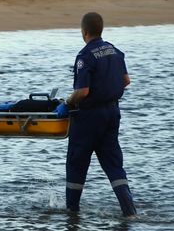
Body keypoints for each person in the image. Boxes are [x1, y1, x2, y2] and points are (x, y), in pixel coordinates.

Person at [55, 12, 137, 217]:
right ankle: (130, 211)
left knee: (77, 163)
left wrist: (67, 102)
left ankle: (72, 212)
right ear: (100, 29)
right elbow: (126, 80)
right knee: (113, 164)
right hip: (112, 113)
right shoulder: (115, 51)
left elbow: (83, 92)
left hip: (89, 117)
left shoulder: (85, 56)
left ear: (84, 32)